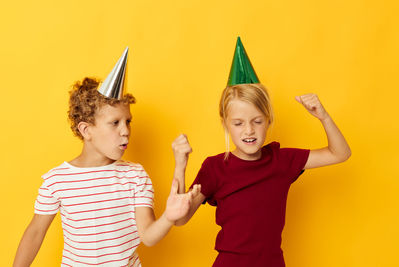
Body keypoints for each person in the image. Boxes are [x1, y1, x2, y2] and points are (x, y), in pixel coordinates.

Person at [171, 37, 351, 267]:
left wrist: (323, 117)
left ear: (268, 120)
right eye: (238, 123)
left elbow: (340, 154)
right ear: (225, 124)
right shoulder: (214, 168)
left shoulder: (282, 160)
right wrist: (180, 165)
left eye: (257, 121)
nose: (249, 130)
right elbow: (179, 219)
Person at [13, 48, 199, 266]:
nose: (126, 130)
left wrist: (169, 216)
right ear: (86, 130)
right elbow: (35, 232)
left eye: (128, 121)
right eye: (115, 123)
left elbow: (148, 236)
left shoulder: (134, 176)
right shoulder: (57, 180)